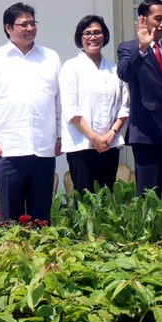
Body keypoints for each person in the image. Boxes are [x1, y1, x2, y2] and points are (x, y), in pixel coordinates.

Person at [0, 2, 61, 221]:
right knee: (10, 218)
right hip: (7, 150)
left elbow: (59, 101)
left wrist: (61, 135)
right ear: (8, 28)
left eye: (33, 23)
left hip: (43, 149)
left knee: (41, 217)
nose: (30, 28)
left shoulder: (50, 57)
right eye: (24, 24)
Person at [117, 0, 162, 195]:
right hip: (146, 133)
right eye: (158, 18)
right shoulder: (128, 48)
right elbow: (125, 74)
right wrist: (142, 47)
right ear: (143, 19)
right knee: (149, 194)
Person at [60, 15, 129, 194]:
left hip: (110, 144)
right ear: (80, 37)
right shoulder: (71, 67)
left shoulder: (114, 69)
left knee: (107, 197)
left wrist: (111, 133)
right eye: (87, 33)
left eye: (97, 32)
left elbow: (124, 106)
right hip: (82, 146)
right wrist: (94, 138)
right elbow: (71, 110)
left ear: (104, 36)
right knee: (86, 199)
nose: (93, 37)